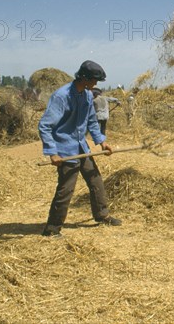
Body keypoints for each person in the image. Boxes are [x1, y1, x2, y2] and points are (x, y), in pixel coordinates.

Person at [38, 60, 121, 238]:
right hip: (65, 149)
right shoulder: (62, 96)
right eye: (93, 80)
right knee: (66, 189)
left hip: (81, 146)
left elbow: (91, 120)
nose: (95, 85)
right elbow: (44, 126)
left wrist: (101, 141)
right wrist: (52, 152)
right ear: (83, 78)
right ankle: (52, 229)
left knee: (95, 180)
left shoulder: (87, 95)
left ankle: (102, 215)